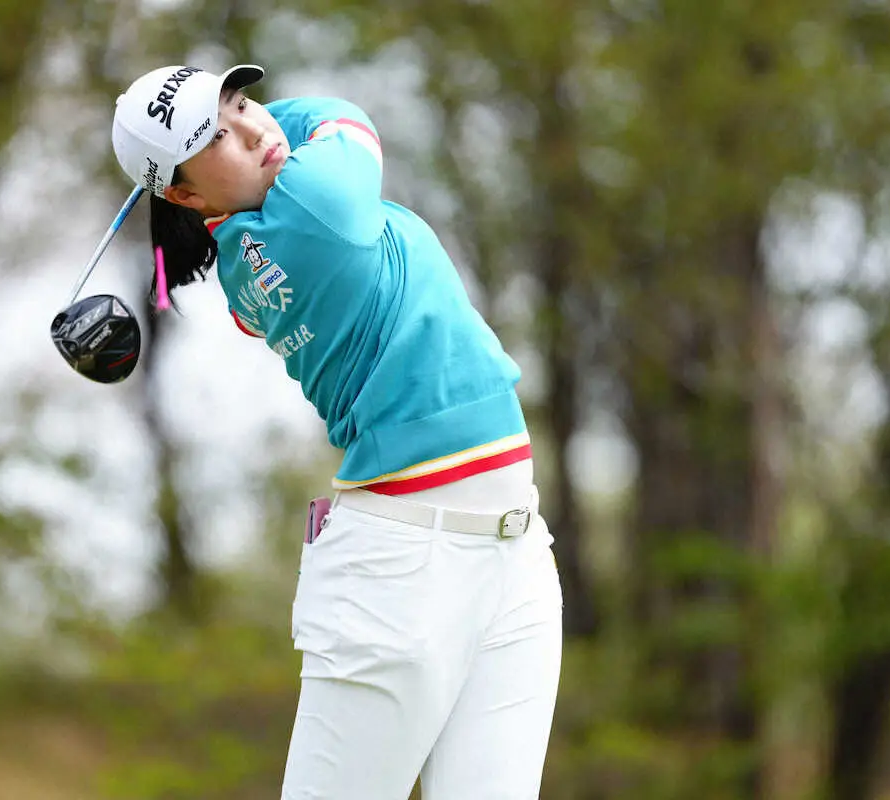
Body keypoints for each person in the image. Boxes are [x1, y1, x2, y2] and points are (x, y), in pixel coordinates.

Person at [111, 62, 563, 799]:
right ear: (185, 196)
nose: (252, 129)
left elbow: (291, 141)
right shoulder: (313, 205)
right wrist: (251, 129)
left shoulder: (250, 253)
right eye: (214, 137)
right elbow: (339, 113)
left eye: (242, 103)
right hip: (404, 569)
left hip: (514, 553)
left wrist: (210, 143)